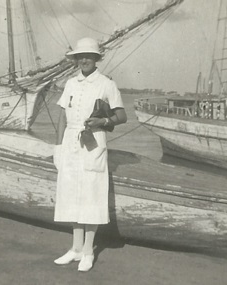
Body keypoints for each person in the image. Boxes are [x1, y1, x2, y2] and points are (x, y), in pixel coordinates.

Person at [53, 37, 127, 272]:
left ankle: (87, 251)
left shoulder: (106, 84)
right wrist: (58, 147)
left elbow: (122, 116)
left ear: (96, 59)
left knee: (91, 195)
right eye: (80, 56)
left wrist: (104, 120)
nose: (84, 60)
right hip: (70, 143)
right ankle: (75, 248)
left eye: (89, 56)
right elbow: (63, 117)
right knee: (70, 195)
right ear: (76, 60)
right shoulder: (70, 83)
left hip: (93, 142)